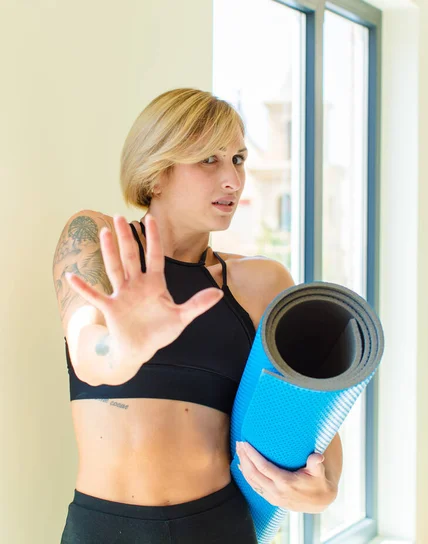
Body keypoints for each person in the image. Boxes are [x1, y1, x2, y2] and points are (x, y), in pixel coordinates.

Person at [52, 88, 343, 543]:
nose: (233, 179)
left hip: (216, 527)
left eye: (239, 159)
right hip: (101, 529)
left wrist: (323, 490)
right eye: (209, 159)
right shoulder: (99, 238)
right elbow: (86, 347)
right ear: (157, 173)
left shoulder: (262, 282)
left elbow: (309, 413)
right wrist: (122, 350)